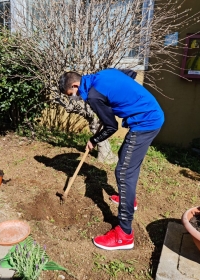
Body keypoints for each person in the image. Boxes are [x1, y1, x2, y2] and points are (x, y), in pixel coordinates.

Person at [59, 68, 164, 251]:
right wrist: (113, 100)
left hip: (144, 121)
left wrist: (93, 140)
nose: (75, 98)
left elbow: (111, 126)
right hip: (151, 114)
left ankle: (124, 234)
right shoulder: (103, 75)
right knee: (127, 160)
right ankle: (128, 199)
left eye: (72, 94)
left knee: (123, 172)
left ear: (76, 85)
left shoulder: (92, 95)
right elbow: (130, 74)